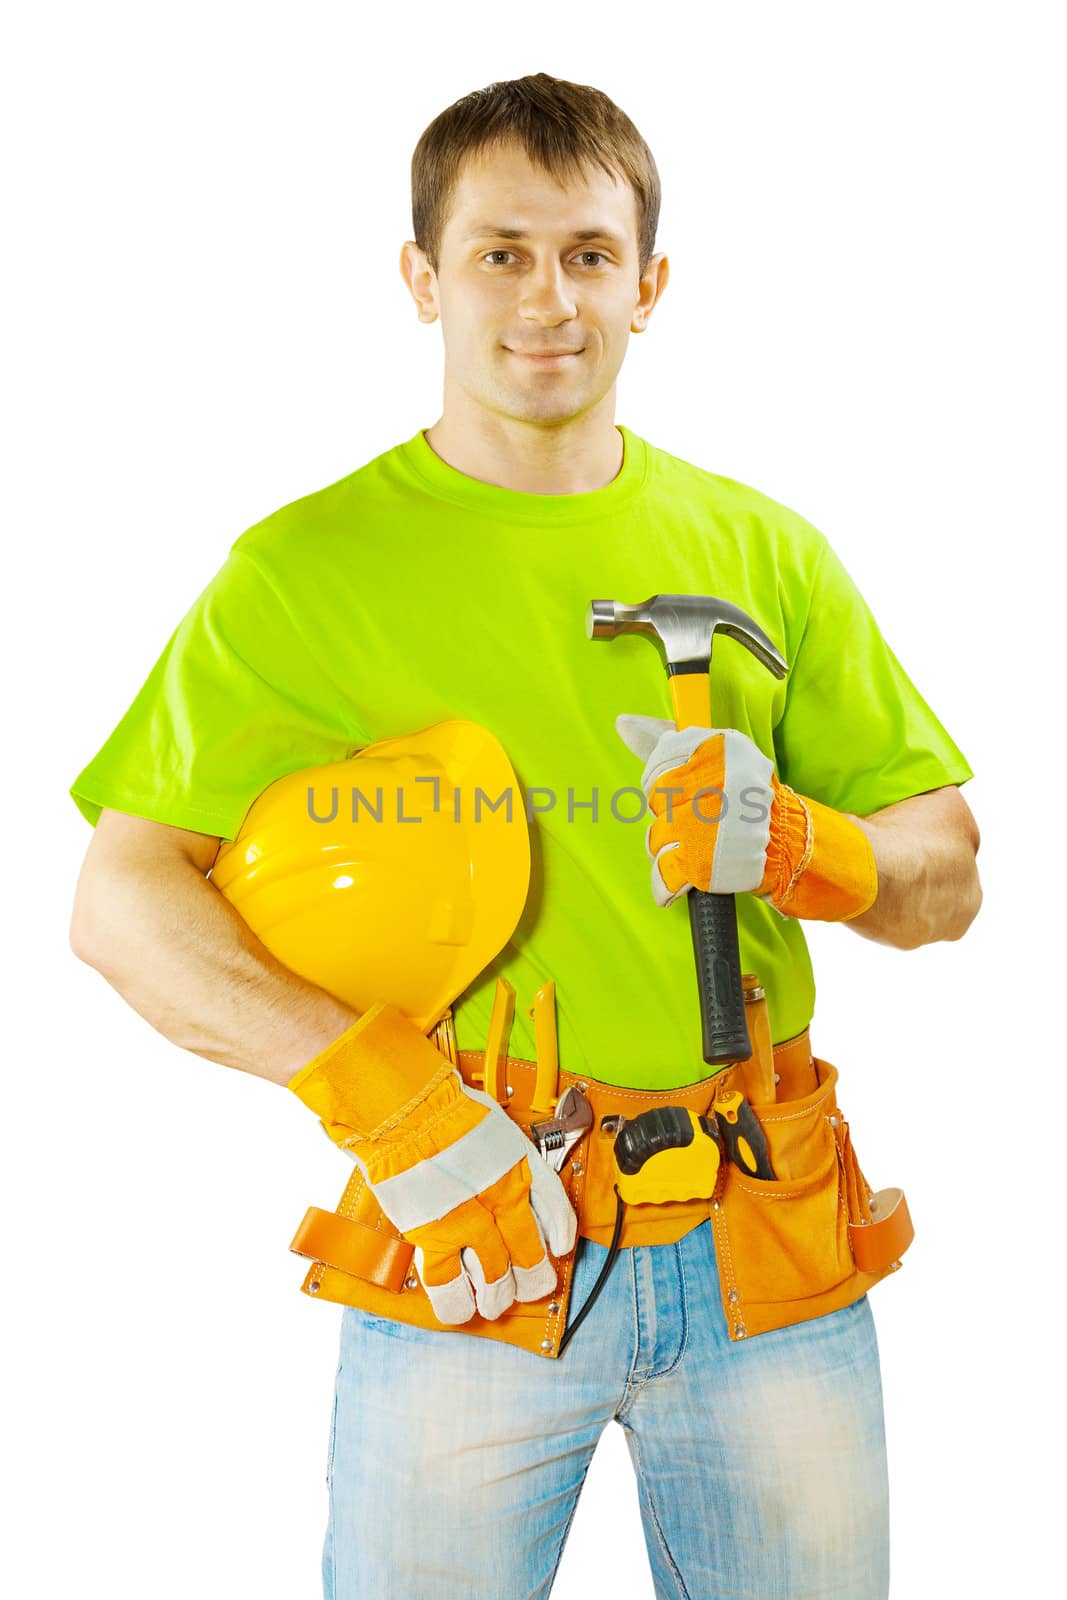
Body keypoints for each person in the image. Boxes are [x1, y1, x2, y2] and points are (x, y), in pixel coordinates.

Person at [69, 71, 982, 1600]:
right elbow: (121, 901)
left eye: (587, 253)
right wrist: (403, 1118)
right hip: (481, 1236)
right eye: (498, 252)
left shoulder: (763, 552)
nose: (547, 297)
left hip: (767, 1237)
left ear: (651, 284)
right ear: (422, 277)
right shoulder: (305, 573)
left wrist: (808, 845)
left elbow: (944, 875)